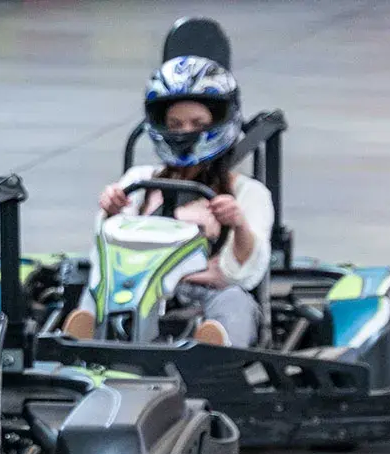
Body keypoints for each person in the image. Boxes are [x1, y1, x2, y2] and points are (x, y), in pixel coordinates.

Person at [63, 56, 274, 348]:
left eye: (197, 123)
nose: (184, 132)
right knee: (98, 291)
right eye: (175, 124)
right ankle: (83, 339)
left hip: (206, 292)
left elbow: (247, 274)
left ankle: (212, 348)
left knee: (236, 302)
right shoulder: (139, 181)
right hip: (138, 288)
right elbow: (103, 258)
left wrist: (237, 225)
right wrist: (111, 212)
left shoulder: (249, 194)